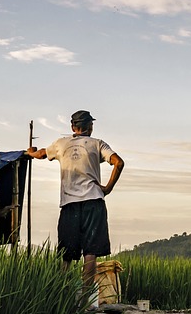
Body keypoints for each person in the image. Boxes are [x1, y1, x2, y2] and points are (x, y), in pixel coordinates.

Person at [26, 110, 124, 301]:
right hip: (93, 203)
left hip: (69, 204)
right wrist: (108, 188)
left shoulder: (61, 144)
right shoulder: (97, 143)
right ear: (90, 127)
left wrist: (30, 152)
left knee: (66, 255)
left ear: (73, 128)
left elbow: (40, 154)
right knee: (90, 254)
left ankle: (60, 299)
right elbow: (118, 163)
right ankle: (85, 302)